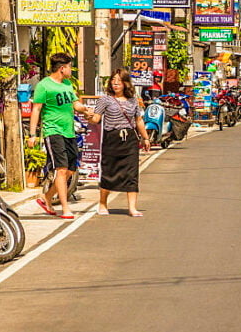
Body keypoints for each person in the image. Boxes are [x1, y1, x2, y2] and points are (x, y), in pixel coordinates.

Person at [28, 53, 93, 219]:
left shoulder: (67, 84)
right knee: (61, 170)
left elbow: (75, 103)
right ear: (62, 68)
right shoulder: (44, 85)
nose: (71, 70)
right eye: (70, 67)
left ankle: (47, 197)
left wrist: (85, 109)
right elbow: (36, 109)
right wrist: (32, 134)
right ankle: (65, 208)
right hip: (53, 131)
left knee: (71, 170)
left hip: (69, 132)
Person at [89, 69, 150, 217]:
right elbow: (96, 119)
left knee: (132, 174)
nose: (115, 84)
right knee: (109, 172)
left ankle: (132, 208)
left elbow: (138, 120)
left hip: (129, 140)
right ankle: (102, 203)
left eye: (119, 81)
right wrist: (88, 116)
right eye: (113, 80)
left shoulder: (133, 101)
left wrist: (146, 138)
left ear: (125, 83)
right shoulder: (104, 100)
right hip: (111, 139)